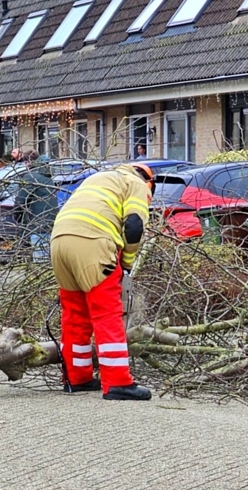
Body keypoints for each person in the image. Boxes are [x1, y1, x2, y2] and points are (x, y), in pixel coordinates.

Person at [50, 162, 155, 401]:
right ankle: (118, 382)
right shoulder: (137, 184)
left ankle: (76, 378)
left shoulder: (101, 178)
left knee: (74, 314)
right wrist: (126, 264)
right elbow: (134, 226)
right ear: (149, 182)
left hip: (59, 241)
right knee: (107, 313)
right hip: (93, 242)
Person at [13, 150, 58, 237]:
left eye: (25, 162)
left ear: (29, 162)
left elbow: (20, 201)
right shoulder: (47, 175)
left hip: (37, 225)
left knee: (37, 249)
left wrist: (17, 217)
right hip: (50, 223)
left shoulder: (30, 177)